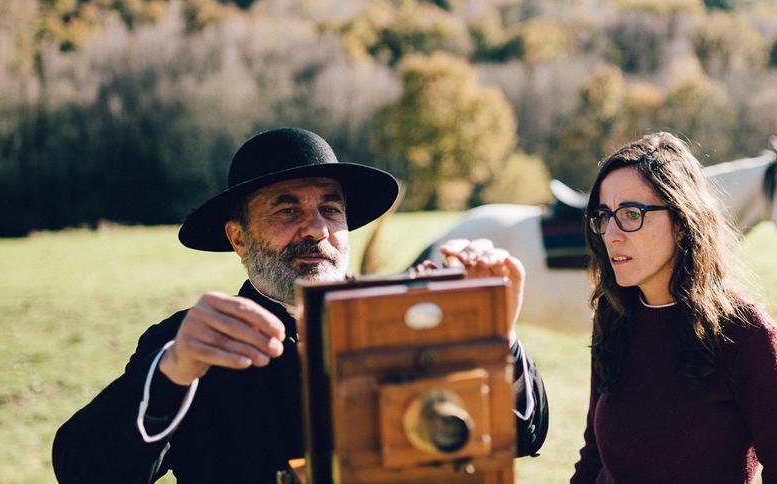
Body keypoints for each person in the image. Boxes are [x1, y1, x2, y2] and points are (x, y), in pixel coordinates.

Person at [53, 128, 549, 481]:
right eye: (287, 209)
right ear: (238, 238)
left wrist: (494, 337)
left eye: (329, 209)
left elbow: (525, 434)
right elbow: (83, 470)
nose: (315, 228)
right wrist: (173, 371)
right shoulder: (192, 344)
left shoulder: (407, 321)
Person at [570, 133, 777, 483]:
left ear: (683, 224)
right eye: (604, 216)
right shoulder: (613, 317)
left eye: (630, 214)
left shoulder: (745, 332)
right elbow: (594, 454)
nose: (610, 233)